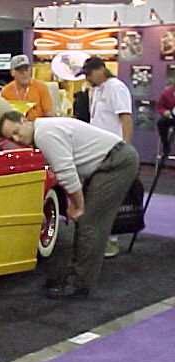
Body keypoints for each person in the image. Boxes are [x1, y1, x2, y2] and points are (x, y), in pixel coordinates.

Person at [0, 111, 139, 299]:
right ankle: (75, 276)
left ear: (24, 121)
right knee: (86, 224)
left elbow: (67, 173)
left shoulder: (44, 134)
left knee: (91, 225)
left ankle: (80, 286)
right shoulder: (44, 129)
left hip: (116, 163)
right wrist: (75, 202)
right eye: (11, 138)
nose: (17, 139)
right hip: (110, 161)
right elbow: (72, 167)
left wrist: (78, 205)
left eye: (16, 132)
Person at [80, 56, 133, 258]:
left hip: (113, 150)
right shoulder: (96, 89)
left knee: (110, 197)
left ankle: (112, 241)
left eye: (89, 74)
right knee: (97, 195)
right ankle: (101, 239)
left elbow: (126, 118)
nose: (88, 78)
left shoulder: (116, 88)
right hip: (97, 150)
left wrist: (126, 148)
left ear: (101, 69)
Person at [0, 55, 53, 121]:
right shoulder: (6, 91)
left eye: (26, 69)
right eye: (20, 71)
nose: (24, 73)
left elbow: (49, 114)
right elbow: (4, 117)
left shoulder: (41, 87)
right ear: (12, 73)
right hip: (16, 125)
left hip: (37, 124)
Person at [156, 81, 175, 158]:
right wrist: (164, 112)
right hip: (172, 116)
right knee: (161, 122)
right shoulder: (167, 93)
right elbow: (160, 106)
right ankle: (166, 145)